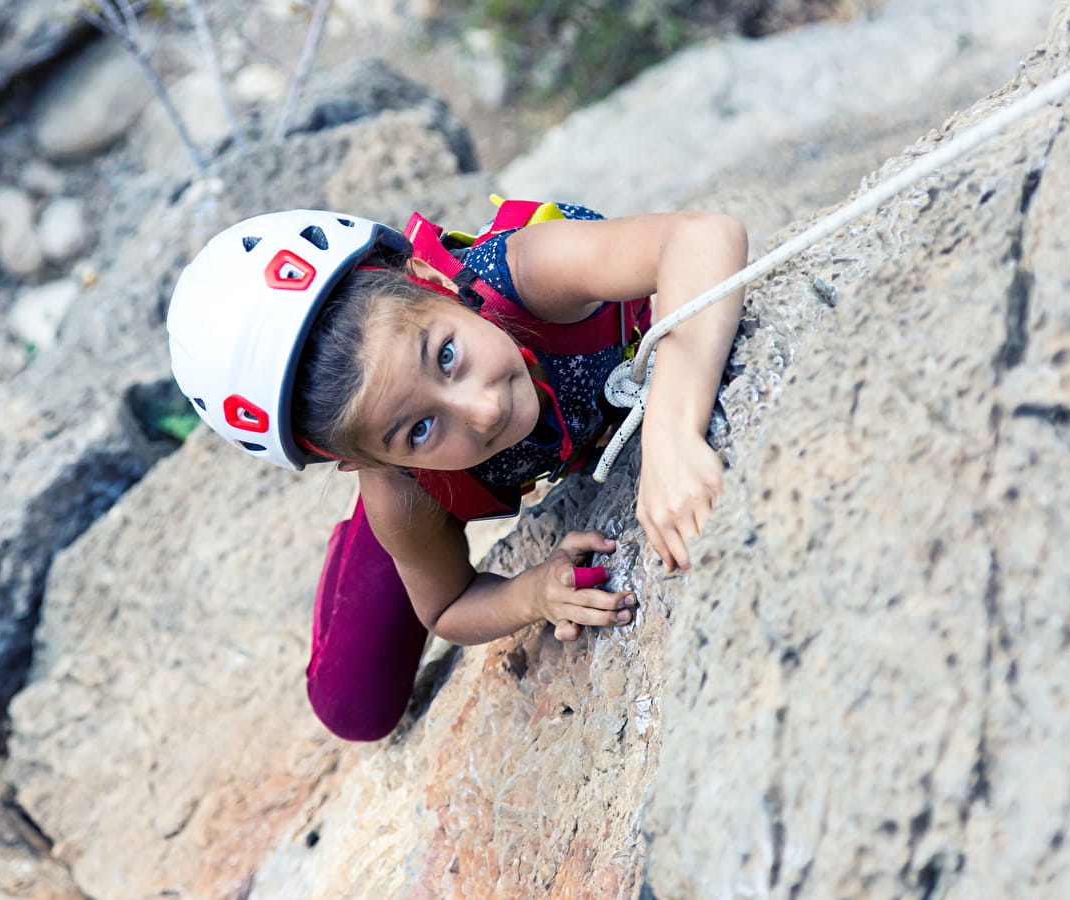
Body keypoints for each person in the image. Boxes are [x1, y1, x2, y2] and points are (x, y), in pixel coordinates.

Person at [166, 200, 747, 740]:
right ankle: (367, 532)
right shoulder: (400, 491)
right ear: (358, 463)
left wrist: (671, 429)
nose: (483, 408)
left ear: (437, 281)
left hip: (506, 421)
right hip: (423, 485)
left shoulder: (530, 273)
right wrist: (531, 594)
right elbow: (445, 606)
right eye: (419, 427)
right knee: (355, 706)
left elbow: (701, 236)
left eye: (446, 355)